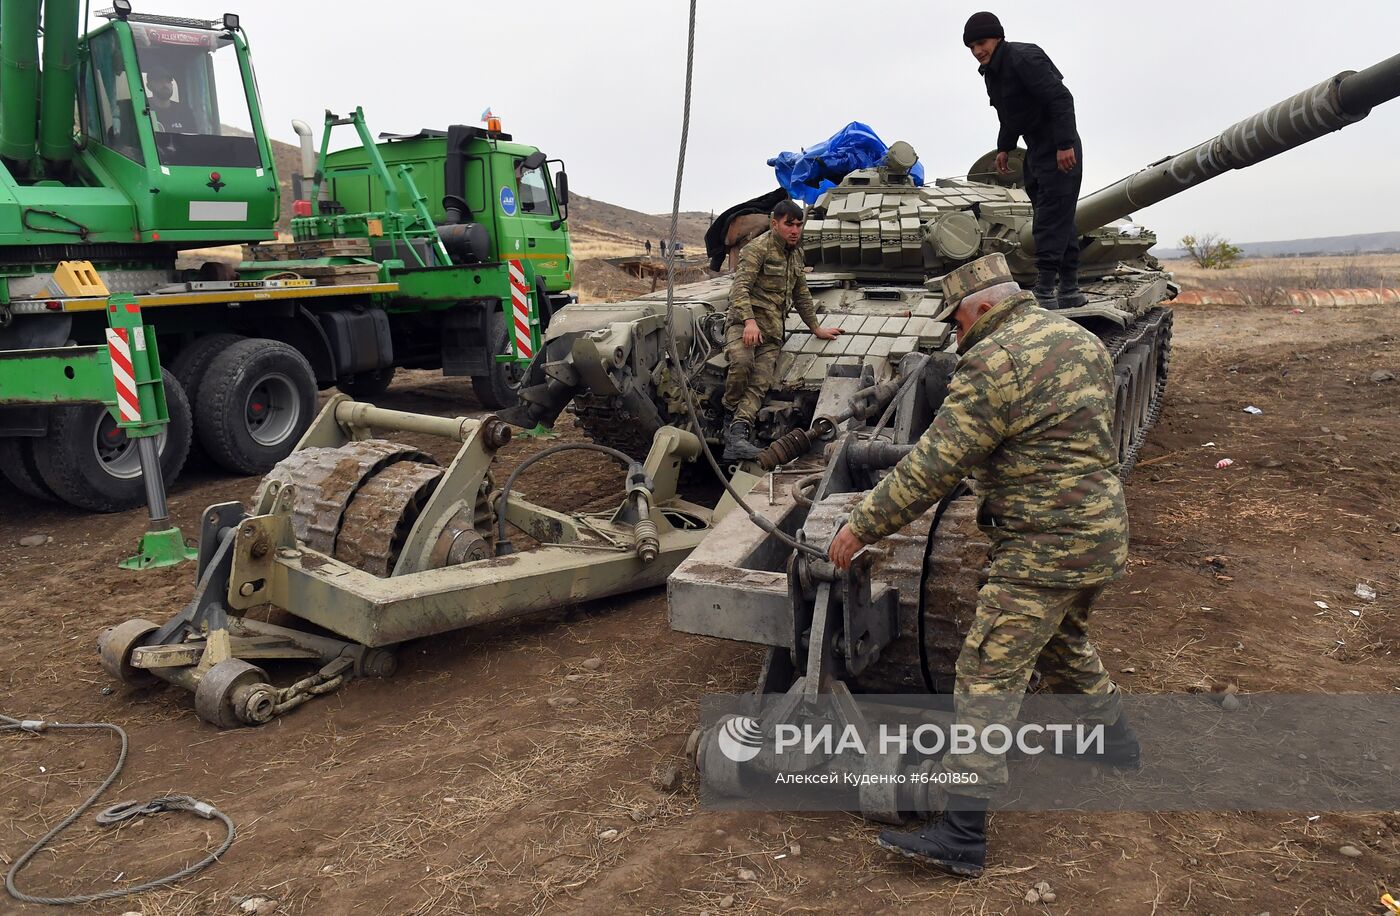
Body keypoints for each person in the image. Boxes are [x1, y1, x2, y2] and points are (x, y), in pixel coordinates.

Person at [827, 253, 1138, 876]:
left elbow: (934, 465)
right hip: (1098, 534)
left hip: (1041, 546)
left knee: (984, 678)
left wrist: (859, 526)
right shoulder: (1078, 338)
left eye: (959, 323)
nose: (956, 335)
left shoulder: (994, 361)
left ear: (986, 308)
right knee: (1063, 643)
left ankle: (963, 833)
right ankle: (1118, 743)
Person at [964, 12, 1086, 310]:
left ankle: (1045, 289)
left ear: (998, 37)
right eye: (972, 47)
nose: (978, 51)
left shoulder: (1024, 57)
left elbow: (1060, 99)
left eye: (982, 42)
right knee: (1057, 215)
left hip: (1058, 145)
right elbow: (1009, 115)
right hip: (1036, 149)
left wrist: (1064, 144)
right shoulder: (992, 72)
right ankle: (1069, 287)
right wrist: (1005, 147)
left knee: (1050, 218)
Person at [722, 199, 844, 461]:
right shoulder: (757, 249)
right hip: (744, 325)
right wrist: (749, 322)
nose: (795, 230)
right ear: (775, 223)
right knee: (743, 362)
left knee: (760, 381)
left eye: (799, 225)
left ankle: (736, 435)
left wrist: (816, 328)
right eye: (789, 224)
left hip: (772, 332)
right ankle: (726, 413)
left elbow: (801, 294)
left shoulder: (796, 254)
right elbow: (739, 289)